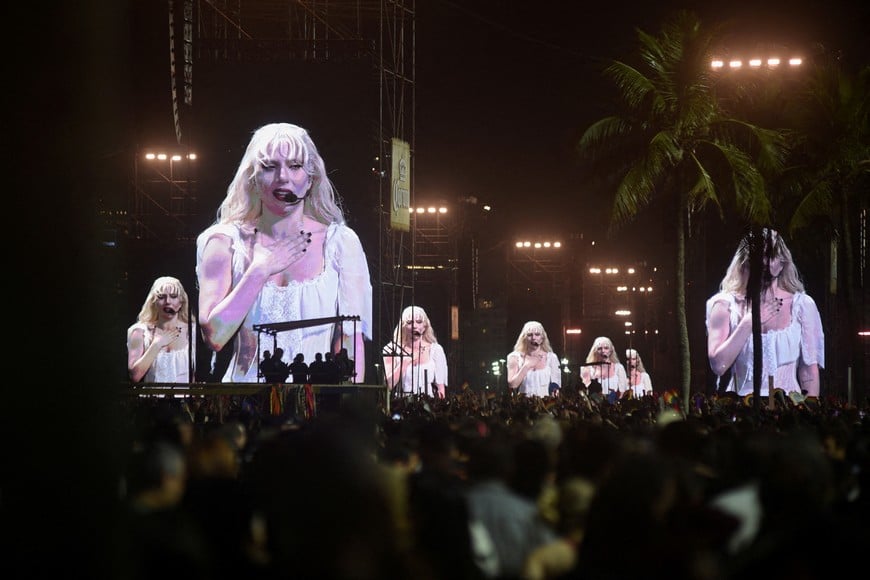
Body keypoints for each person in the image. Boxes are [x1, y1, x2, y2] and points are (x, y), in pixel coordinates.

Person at [195, 122, 372, 383]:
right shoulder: (224, 241)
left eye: (295, 166)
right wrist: (259, 270)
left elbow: (349, 342)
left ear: (310, 178)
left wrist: (343, 414)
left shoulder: (341, 244)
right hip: (243, 404)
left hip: (317, 406)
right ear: (253, 178)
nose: (283, 177)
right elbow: (215, 337)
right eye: (269, 167)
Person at [706, 229, 824, 397]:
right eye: (758, 254)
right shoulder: (724, 305)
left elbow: (809, 371)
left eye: (771, 254)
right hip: (741, 409)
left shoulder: (802, 305)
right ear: (745, 261)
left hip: (789, 410)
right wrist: (749, 322)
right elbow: (719, 365)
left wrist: (810, 414)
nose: (765, 262)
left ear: (782, 261)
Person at [127, 276, 195, 383]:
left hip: (185, 398)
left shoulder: (193, 331)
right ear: (154, 301)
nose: (167, 301)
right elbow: (135, 376)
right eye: (161, 297)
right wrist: (156, 345)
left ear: (181, 302)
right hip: (150, 399)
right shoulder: (140, 332)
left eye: (173, 296)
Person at [382, 305, 448, 397]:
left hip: (429, 405)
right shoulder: (391, 349)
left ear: (425, 326)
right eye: (409, 322)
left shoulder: (436, 350)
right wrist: (404, 363)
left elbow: (440, 389)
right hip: (401, 404)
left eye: (419, 322)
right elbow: (388, 385)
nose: (414, 326)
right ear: (403, 326)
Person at [506, 321, 562, 397]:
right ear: (524, 338)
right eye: (529, 335)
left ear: (542, 338)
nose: (533, 338)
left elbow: (556, 384)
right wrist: (526, 366)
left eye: (537, 334)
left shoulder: (551, 358)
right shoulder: (515, 357)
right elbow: (512, 384)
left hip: (546, 405)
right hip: (523, 405)